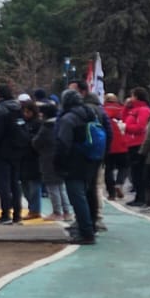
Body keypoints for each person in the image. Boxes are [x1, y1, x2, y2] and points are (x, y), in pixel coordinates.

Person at [53, 88, 99, 245]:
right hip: (90, 159)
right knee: (85, 196)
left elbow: (63, 143)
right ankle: (89, 227)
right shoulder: (90, 113)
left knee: (77, 198)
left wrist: (58, 163)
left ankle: (85, 232)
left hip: (74, 162)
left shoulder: (68, 118)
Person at [0, 85, 26, 224]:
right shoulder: (17, 108)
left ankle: (5, 213)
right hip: (17, 150)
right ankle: (17, 214)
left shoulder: (0, 110)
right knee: (15, 183)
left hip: (2, 152)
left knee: (3, 184)